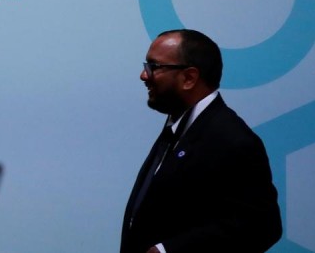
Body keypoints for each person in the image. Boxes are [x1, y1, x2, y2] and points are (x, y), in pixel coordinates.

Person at [121, 29, 282, 253]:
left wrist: (169, 250)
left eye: (154, 67)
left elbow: (262, 226)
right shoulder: (177, 128)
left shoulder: (233, 140)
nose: (144, 75)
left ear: (189, 78)